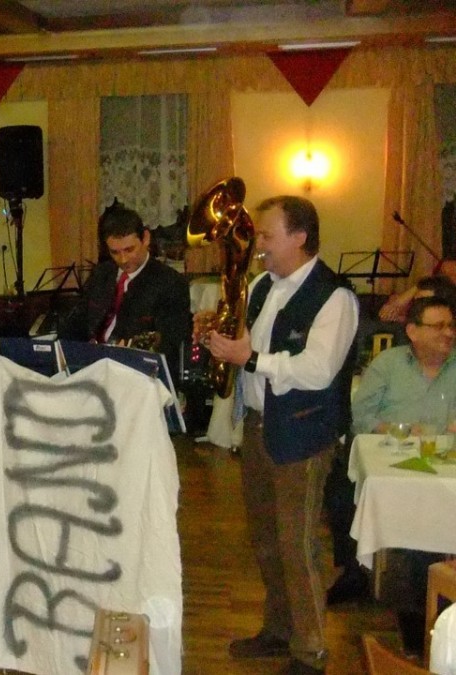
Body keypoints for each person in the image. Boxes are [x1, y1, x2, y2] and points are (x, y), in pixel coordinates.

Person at [203, 195, 359, 675]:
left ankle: (311, 652)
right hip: (258, 425)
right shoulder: (260, 286)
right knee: (267, 540)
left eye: (268, 236)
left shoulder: (335, 297)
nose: (258, 245)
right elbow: (248, 346)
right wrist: (218, 339)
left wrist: (249, 358)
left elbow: (318, 370)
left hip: (304, 432)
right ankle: (279, 629)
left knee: (297, 545)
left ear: (300, 237)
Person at [349, 295, 456, 653]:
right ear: (412, 331)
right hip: (398, 469)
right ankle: (419, 620)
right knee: (416, 529)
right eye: (438, 326)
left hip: (448, 471)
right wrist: (400, 430)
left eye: (451, 326)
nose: (448, 333)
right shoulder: (388, 364)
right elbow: (362, 418)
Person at [80, 205, 190, 381]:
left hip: (138, 377)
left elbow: (170, 345)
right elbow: (78, 320)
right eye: (114, 252)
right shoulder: (101, 274)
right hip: (93, 369)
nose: (123, 259)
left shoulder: (170, 282)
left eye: (129, 249)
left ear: (145, 238)